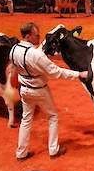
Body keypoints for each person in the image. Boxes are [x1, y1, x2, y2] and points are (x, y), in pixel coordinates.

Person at [10, 22, 88, 161]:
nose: (39, 36)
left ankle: (21, 153)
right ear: (28, 36)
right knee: (52, 117)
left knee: (26, 120)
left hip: (25, 90)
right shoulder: (36, 55)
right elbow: (56, 72)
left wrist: (15, 84)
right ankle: (53, 150)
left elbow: (14, 70)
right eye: (36, 34)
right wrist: (78, 74)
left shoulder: (14, 49)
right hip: (39, 90)